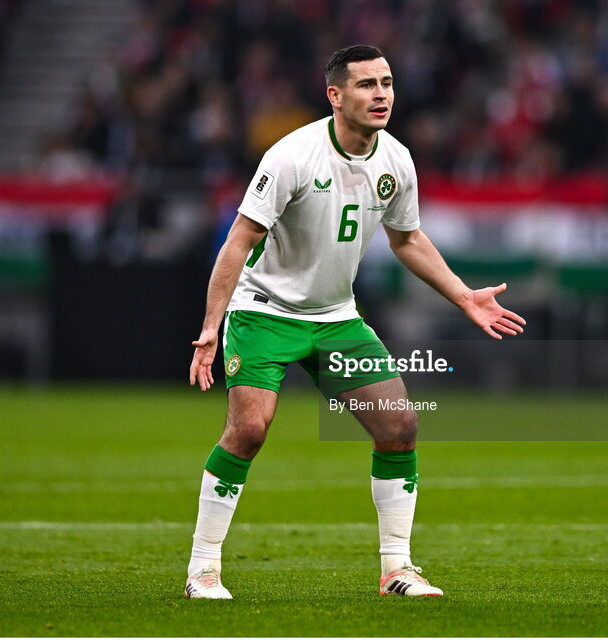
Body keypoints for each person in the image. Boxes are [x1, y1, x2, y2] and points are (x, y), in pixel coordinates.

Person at [185, 45, 525, 600]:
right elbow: (239, 240)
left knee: (399, 427)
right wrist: (211, 325)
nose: (382, 94)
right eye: (367, 84)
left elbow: (407, 239)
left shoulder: (396, 160)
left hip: (336, 317)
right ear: (335, 96)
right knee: (249, 429)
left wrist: (463, 296)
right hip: (265, 310)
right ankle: (203, 570)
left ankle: (397, 569)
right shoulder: (292, 156)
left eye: (387, 82)